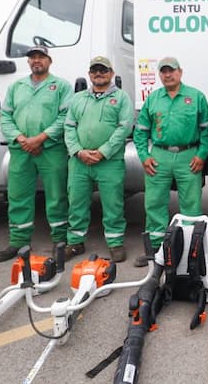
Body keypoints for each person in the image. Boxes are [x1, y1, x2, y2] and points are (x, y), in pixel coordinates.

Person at [133, 57, 208, 267]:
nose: (168, 75)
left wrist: (201, 155)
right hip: (159, 156)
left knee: (191, 203)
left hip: (189, 155)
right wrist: (144, 156)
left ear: (180, 72)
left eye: (171, 70)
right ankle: (156, 249)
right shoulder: (153, 99)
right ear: (160, 75)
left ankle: (189, 249)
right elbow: (140, 131)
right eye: (163, 71)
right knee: (154, 202)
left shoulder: (195, 97)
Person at [0, 46, 72, 261]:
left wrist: (40, 138)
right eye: (33, 57)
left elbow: (65, 116)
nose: (37, 60)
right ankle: (18, 241)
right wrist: (21, 139)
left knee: (57, 195)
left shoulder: (61, 86)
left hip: (51, 149)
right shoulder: (16, 87)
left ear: (49, 60)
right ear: (28, 62)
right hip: (21, 150)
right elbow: (5, 116)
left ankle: (60, 239)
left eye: (41, 57)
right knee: (17, 195)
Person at [63, 56, 134, 263]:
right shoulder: (78, 99)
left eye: (103, 70)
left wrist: (103, 151)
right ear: (89, 74)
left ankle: (115, 242)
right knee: (76, 202)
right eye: (94, 70)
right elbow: (69, 126)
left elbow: (124, 128)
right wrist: (78, 151)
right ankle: (75, 242)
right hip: (79, 161)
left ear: (111, 73)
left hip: (108, 162)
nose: (99, 74)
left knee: (113, 203)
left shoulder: (121, 98)